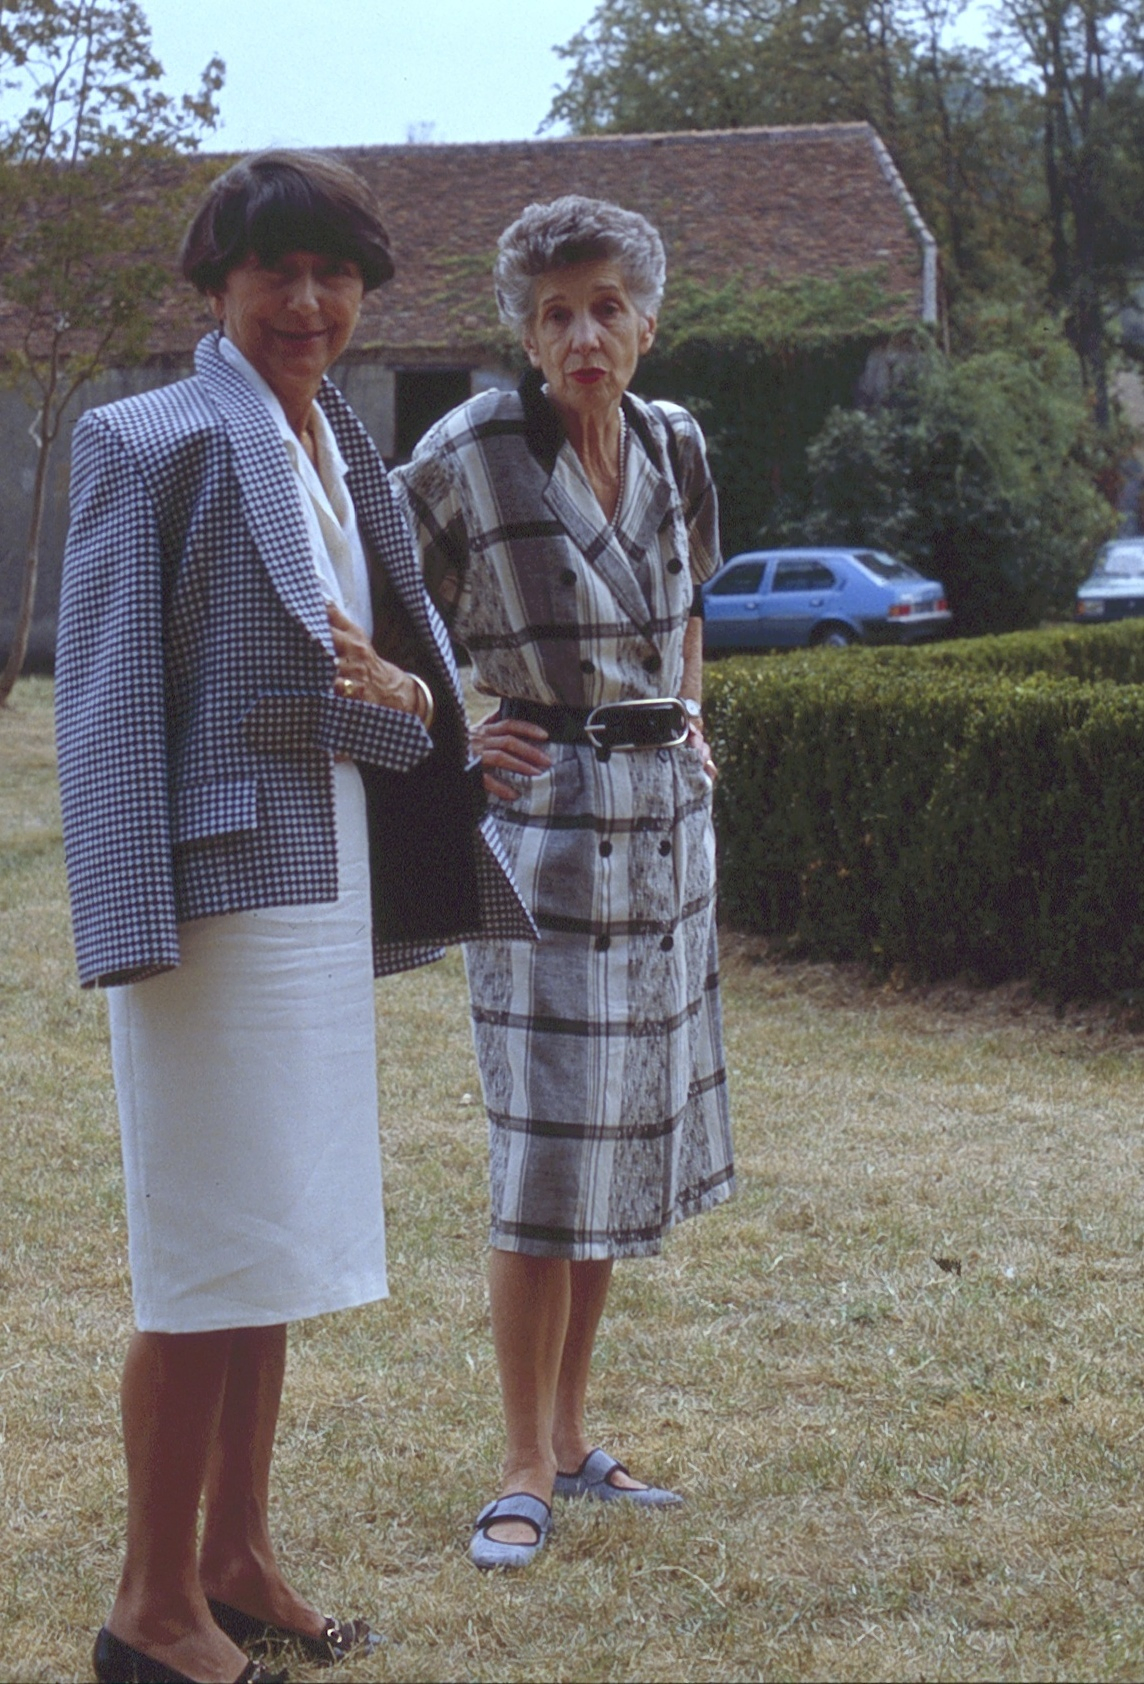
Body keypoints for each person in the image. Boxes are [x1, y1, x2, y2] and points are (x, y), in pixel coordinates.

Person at [55, 149, 531, 1683]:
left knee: (271, 1239)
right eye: (279, 271)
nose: (310, 302)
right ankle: (149, 1608)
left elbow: (397, 696)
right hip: (211, 908)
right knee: (205, 1252)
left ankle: (239, 1559)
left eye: (337, 274)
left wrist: (413, 704)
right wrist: (128, 922)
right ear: (218, 284)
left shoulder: (344, 449)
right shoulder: (147, 439)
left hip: (323, 884)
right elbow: (106, 708)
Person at [396, 194, 735, 1571]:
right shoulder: (470, 451)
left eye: (605, 308)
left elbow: (691, 601)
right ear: (527, 337)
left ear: (647, 321)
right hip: (541, 837)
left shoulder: (677, 443)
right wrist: (454, 735)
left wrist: (689, 714)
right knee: (545, 1156)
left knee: (614, 1145)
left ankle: (576, 1437)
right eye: (555, 315)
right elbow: (378, 606)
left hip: (664, 836)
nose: (583, 335)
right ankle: (520, 1463)